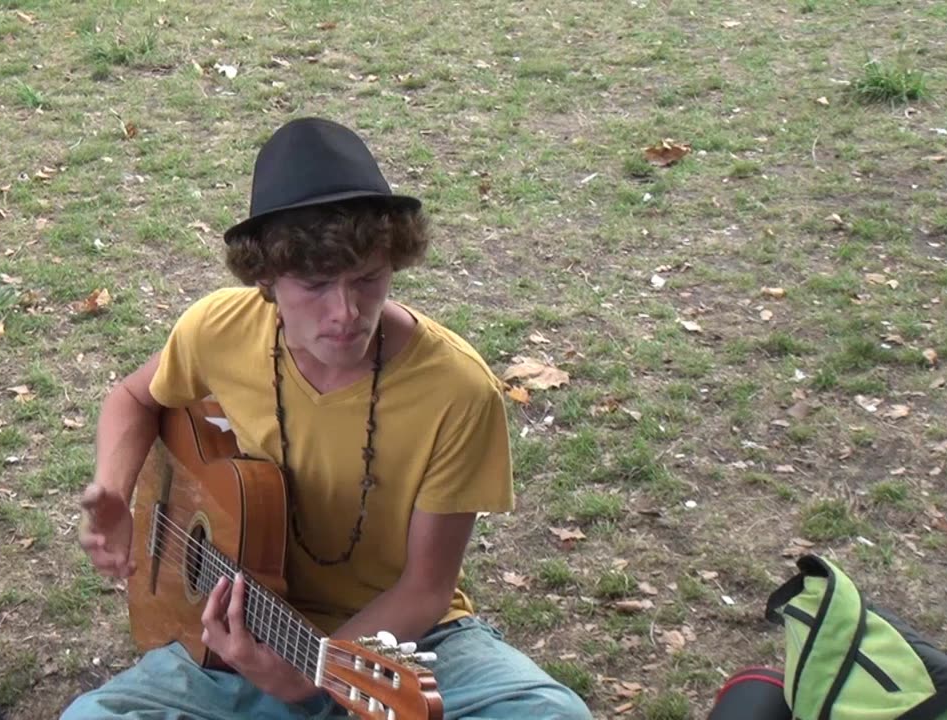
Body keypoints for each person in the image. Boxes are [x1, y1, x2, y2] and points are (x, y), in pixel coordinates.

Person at [64, 117, 592, 719]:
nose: (346, 311)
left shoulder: (457, 390)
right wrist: (113, 487)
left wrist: (318, 672)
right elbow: (135, 397)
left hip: (406, 641)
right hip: (235, 635)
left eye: (368, 279)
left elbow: (425, 587)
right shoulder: (219, 328)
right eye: (314, 285)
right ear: (265, 276)